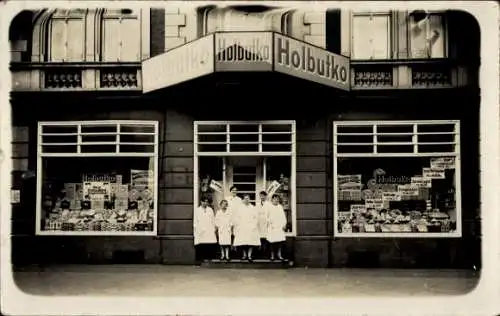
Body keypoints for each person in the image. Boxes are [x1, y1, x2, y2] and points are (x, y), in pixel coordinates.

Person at [232, 194, 260, 262]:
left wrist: (254, 225)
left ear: (249, 199)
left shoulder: (253, 208)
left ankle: (249, 256)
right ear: (243, 200)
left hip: (251, 227)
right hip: (242, 227)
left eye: (247, 198)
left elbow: (256, 218)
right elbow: (237, 218)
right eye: (245, 198)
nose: (246, 200)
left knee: (251, 242)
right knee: (243, 242)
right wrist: (238, 225)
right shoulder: (240, 208)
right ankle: (244, 255)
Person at [193, 196, 217, 263]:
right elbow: (195, 221)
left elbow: (213, 220)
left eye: (206, 202)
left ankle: (209, 259)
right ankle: (201, 259)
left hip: (209, 229)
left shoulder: (210, 210)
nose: (205, 203)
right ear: (201, 202)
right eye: (204, 201)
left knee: (209, 244)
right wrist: (197, 229)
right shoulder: (197, 210)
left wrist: (214, 228)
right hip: (201, 230)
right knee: (201, 245)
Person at [267, 194, 287, 261]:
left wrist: (284, 224)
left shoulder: (280, 207)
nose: (276, 200)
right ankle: (272, 255)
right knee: (272, 241)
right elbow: (266, 217)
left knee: (280, 241)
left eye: (277, 199)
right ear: (272, 199)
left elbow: (283, 217)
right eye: (275, 199)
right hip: (272, 227)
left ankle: (279, 254)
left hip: (279, 227)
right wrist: (270, 222)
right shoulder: (269, 207)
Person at [256, 191, 271, 256]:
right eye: (261, 196)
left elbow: (270, 214)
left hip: (266, 222)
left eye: (263, 196)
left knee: (266, 237)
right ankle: (260, 251)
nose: (262, 197)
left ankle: (265, 251)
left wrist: (268, 221)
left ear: (265, 196)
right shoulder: (257, 204)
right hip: (259, 222)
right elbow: (256, 213)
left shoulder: (269, 204)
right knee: (259, 237)